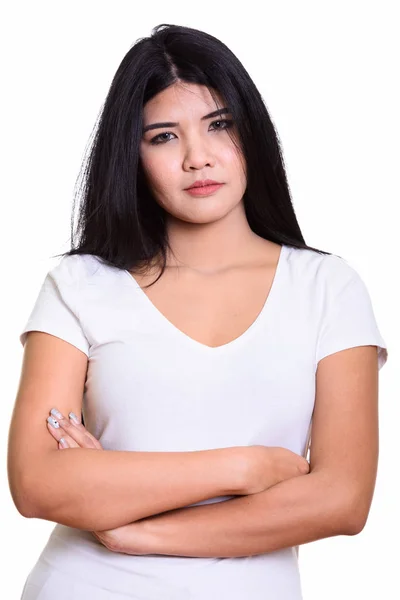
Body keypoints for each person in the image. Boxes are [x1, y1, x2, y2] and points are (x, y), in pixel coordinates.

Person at [8, 22, 388, 600]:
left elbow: (341, 500)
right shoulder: (79, 284)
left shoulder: (328, 288)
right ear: (131, 156)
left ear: (251, 132)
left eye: (219, 125)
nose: (197, 158)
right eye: (162, 137)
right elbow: (36, 483)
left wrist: (135, 531)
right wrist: (244, 468)